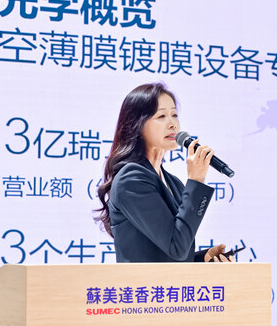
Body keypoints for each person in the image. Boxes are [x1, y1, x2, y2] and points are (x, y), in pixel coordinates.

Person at [95, 82, 234, 263]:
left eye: (174, 115)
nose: (172, 124)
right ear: (137, 125)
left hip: (167, 282)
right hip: (141, 283)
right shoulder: (130, 180)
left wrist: (203, 259)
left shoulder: (173, 182)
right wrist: (196, 180)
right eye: (161, 116)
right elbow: (176, 247)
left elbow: (172, 251)